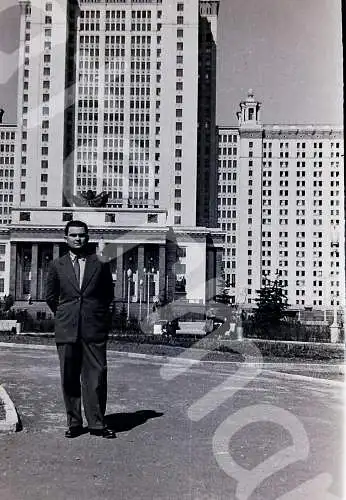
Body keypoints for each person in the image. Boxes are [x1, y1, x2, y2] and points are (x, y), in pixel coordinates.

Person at [46, 220, 116, 439]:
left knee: (96, 376)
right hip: (67, 328)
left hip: (94, 329)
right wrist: (67, 315)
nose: (78, 239)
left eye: (82, 235)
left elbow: (108, 296)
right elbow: (50, 297)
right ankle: (74, 423)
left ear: (88, 237)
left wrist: (98, 318)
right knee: (69, 377)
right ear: (65, 238)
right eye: (74, 235)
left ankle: (97, 423)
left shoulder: (99, 262)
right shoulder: (57, 265)